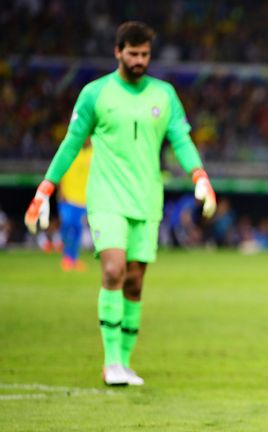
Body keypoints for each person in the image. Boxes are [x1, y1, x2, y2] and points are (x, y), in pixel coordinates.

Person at [24, 21, 217, 386]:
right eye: (133, 54)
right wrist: (45, 187)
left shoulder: (165, 95)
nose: (140, 60)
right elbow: (71, 142)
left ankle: (125, 363)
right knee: (113, 270)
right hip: (107, 197)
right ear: (118, 52)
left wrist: (199, 175)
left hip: (147, 199)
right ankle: (111, 362)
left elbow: (182, 139)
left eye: (145, 54)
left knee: (134, 282)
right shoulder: (95, 94)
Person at [57, 141, 93, 271]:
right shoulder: (69, 150)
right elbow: (60, 170)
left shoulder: (93, 153)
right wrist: (60, 191)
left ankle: (73, 258)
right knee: (67, 227)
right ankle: (67, 257)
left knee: (78, 230)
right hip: (68, 197)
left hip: (84, 199)